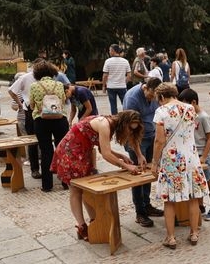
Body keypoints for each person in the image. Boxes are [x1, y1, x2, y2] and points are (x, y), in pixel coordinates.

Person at [52, 111, 145, 240]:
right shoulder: (105, 124)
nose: (130, 132)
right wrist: (126, 166)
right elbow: (106, 154)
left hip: (82, 153)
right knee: (76, 190)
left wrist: (120, 156)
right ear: (124, 124)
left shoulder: (111, 123)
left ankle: (94, 222)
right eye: (130, 129)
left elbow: (103, 147)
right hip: (71, 152)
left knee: (86, 189)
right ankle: (81, 226)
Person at [150, 83, 208, 249]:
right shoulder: (190, 108)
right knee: (193, 197)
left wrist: (154, 162)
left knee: (169, 200)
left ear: (161, 97)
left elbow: (159, 140)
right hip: (191, 157)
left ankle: (171, 238)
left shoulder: (161, 111)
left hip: (172, 159)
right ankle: (194, 233)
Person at [123, 77, 163, 227]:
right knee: (138, 175)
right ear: (145, 88)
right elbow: (130, 131)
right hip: (136, 140)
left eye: (154, 97)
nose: (152, 99)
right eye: (151, 95)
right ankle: (140, 212)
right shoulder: (132, 99)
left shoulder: (155, 95)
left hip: (151, 136)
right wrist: (139, 154)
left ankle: (147, 205)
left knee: (149, 173)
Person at [28, 61, 70, 192]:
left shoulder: (34, 86)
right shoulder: (59, 84)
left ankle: (47, 185)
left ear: (37, 73)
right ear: (52, 72)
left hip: (41, 120)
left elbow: (32, 105)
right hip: (60, 119)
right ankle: (65, 182)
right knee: (62, 149)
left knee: (46, 151)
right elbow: (63, 101)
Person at [180, 88, 210, 221]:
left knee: (208, 180)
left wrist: (204, 156)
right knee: (196, 181)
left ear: (193, 102)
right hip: (192, 154)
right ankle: (200, 206)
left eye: (185, 104)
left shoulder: (203, 117)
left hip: (203, 154)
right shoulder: (189, 116)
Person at [102, 44, 132, 115]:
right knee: (125, 104)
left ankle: (114, 119)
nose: (109, 52)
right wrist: (124, 82)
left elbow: (105, 75)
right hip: (122, 86)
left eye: (110, 50)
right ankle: (126, 117)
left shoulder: (108, 61)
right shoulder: (125, 61)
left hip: (111, 86)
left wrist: (103, 86)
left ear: (113, 51)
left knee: (113, 105)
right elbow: (129, 75)